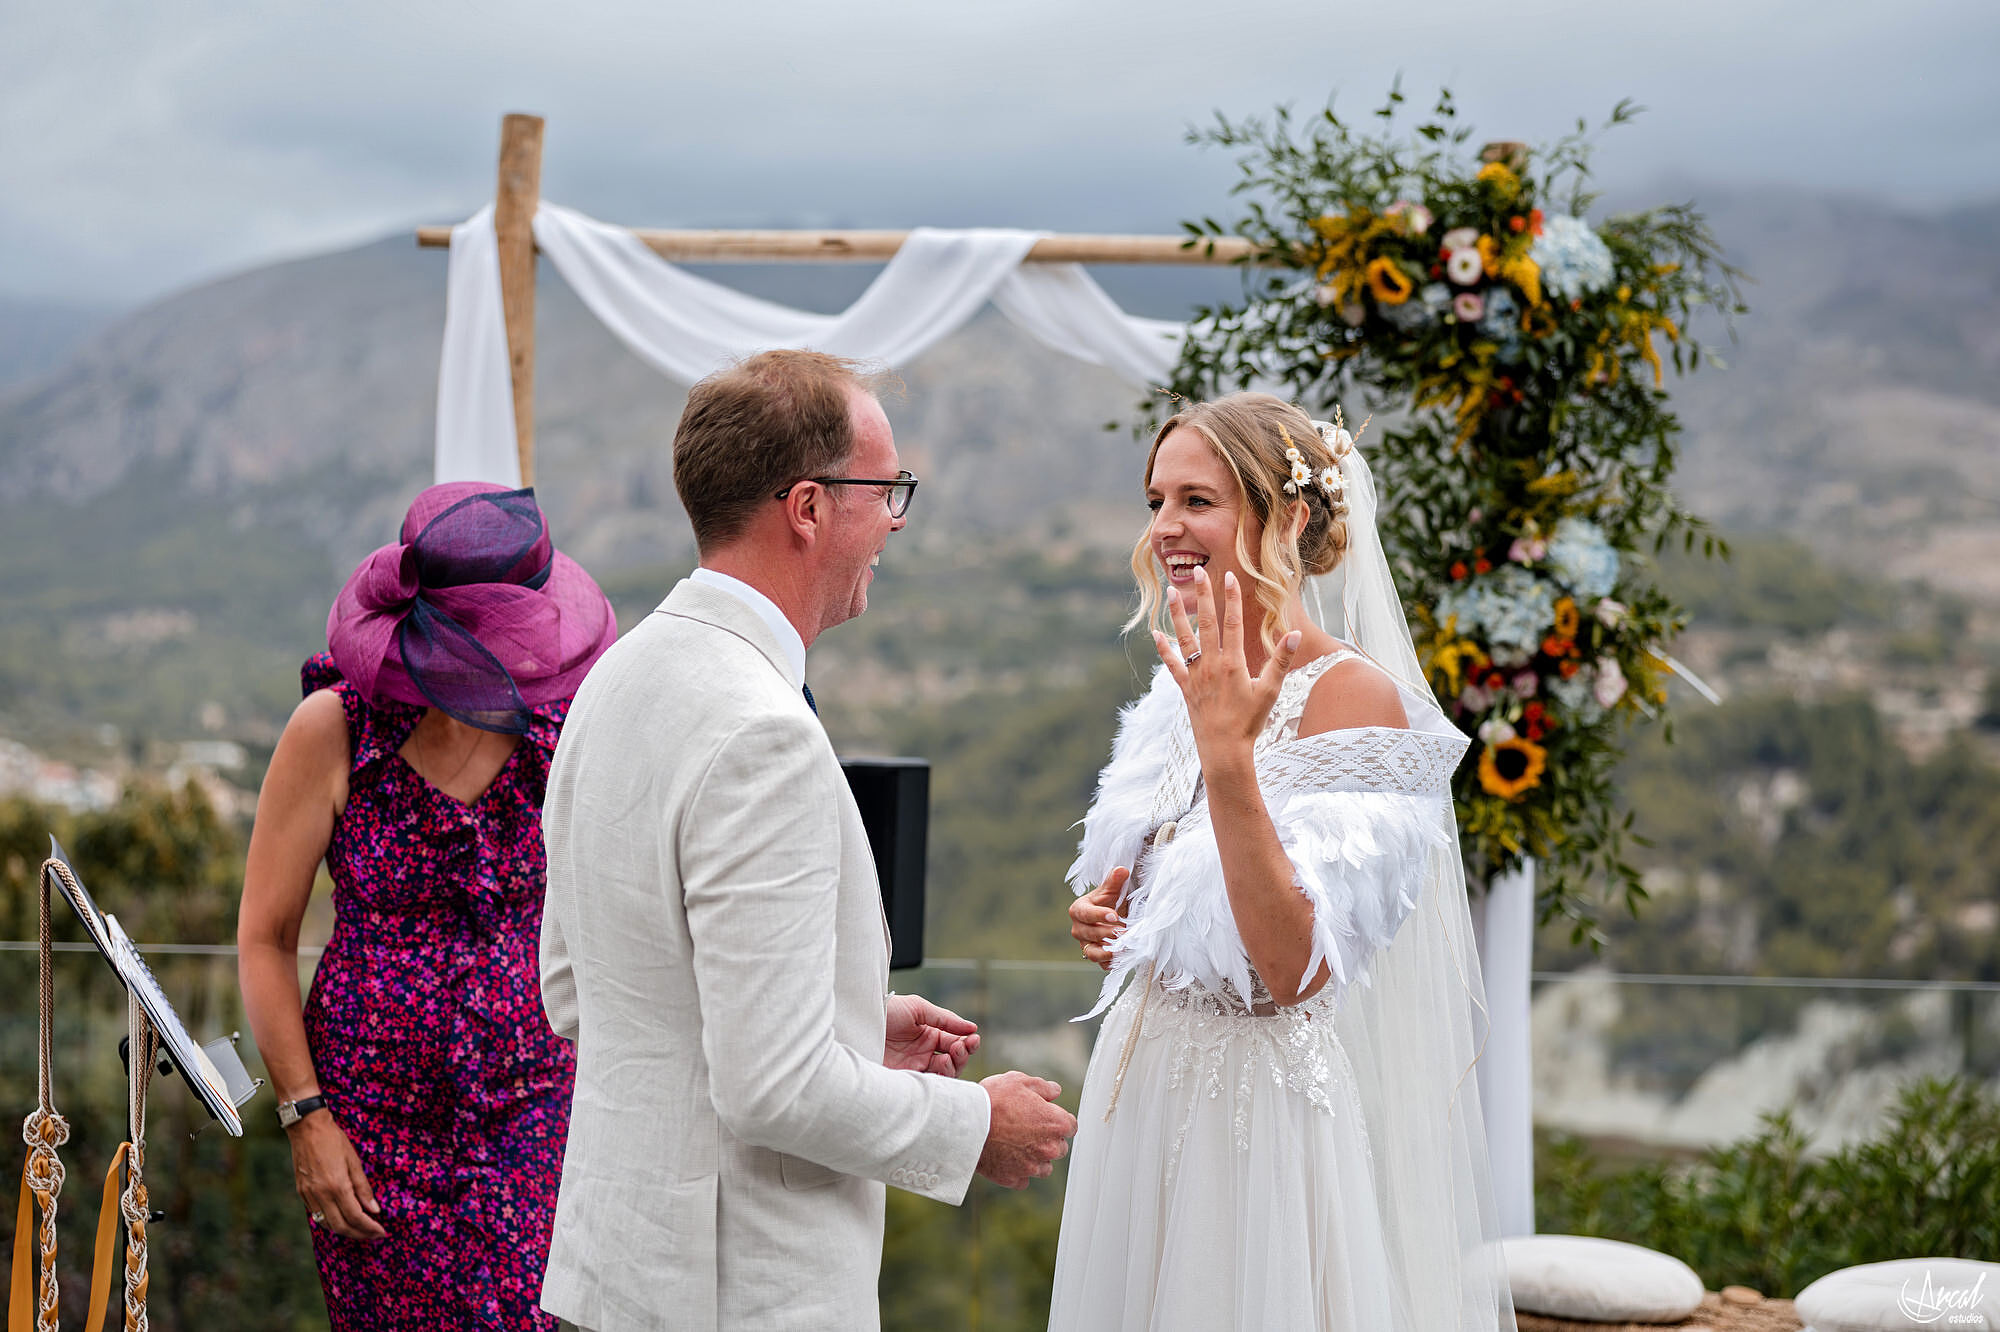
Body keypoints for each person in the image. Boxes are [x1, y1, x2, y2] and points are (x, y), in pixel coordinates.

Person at [536, 349, 1077, 1332]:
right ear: (809, 508)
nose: (896, 521)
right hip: (739, 1292)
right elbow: (772, 1090)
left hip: (613, 1276)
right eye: (885, 490)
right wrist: (974, 1128)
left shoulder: (612, 679)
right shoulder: (764, 734)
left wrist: (844, 1019)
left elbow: (583, 993)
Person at [1050, 393, 1517, 1330]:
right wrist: (1115, 921)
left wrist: (1230, 758)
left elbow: (1294, 968)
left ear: (1288, 518)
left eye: (1198, 500)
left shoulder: (1357, 700)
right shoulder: (1180, 677)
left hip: (1250, 1124)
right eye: (1156, 502)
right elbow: (1176, 901)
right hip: (1135, 1093)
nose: (1166, 529)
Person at [238, 482, 619, 1331]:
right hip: (368, 1131)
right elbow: (264, 939)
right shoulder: (333, 731)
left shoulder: (562, 734)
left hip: (534, 1113)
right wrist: (307, 1118)